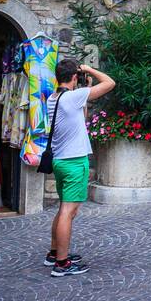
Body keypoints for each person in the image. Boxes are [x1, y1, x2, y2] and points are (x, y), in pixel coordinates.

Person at [45, 58, 116, 276]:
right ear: (74, 76)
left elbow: (80, 118)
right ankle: (62, 264)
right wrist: (87, 69)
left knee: (63, 209)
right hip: (74, 162)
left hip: (59, 161)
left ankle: (55, 252)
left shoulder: (54, 98)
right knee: (69, 211)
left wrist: (83, 88)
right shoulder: (72, 96)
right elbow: (109, 83)